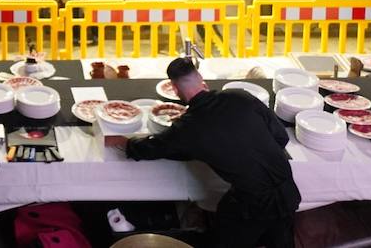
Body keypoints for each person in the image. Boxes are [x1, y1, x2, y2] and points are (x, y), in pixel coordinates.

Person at [121, 58, 299, 247]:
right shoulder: (241, 97)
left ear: (174, 89)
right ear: (201, 79)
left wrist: (126, 143)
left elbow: (149, 149)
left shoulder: (188, 127)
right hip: (288, 192)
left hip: (251, 204)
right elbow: (281, 137)